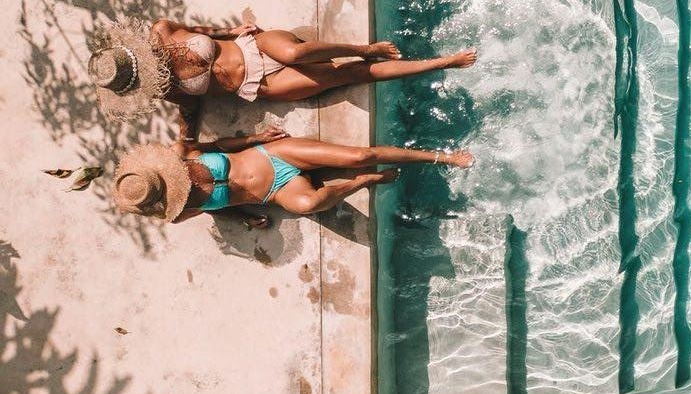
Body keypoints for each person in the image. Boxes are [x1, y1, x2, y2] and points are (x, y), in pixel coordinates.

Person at [88, 17, 476, 134]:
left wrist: (232, 33)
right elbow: (191, 110)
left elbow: (205, 30)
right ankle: (442, 62)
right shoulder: (166, 89)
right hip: (259, 86)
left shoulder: (164, 29)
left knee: (296, 51)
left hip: (254, 47)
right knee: (349, 78)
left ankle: (364, 46)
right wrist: (186, 142)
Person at [110, 128, 473, 227]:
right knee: (308, 204)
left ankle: (442, 156)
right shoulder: (180, 209)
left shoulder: (182, 153)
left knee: (358, 154)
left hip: (271, 155)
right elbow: (213, 210)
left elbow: (218, 143)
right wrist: (245, 217)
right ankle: (362, 182)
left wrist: (255, 139)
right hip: (275, 191)